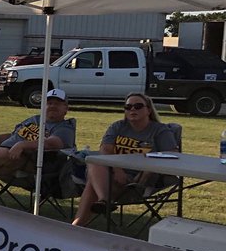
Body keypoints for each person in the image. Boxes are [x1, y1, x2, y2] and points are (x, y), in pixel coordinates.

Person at [72, 92, 178, 227]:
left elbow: (172, 154)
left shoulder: (159, 130)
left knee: (92, 184)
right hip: (110, 174)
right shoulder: (118, 126)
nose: (132, 109)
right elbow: (105, 149)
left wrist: (147, 169)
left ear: (149, 110)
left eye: (138, 106)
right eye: (128, 107)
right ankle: (102, 202)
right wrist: (117, 169)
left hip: (138, 181)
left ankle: (80, 223)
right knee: (95, 161)